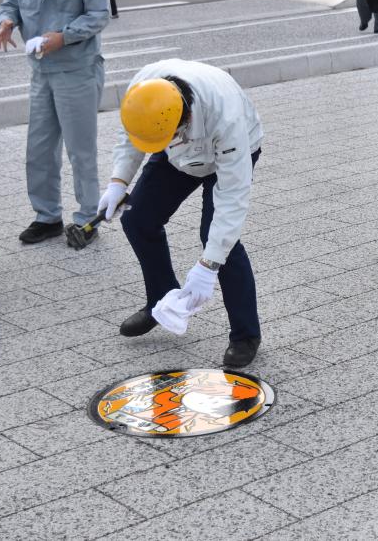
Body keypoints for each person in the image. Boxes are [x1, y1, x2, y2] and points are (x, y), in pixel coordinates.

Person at [101, 59, 265, 368]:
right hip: (176, 155)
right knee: (138, 220)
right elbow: (132, 136)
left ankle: (245, 334)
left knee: (216, 237)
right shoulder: (143, 91)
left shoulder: (226, 116)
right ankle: (160, 302)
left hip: (228, 153)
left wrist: (207, 265)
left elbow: (232, 198)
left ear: (186, 117)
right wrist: (117, 182)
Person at [0, 0, 110, 246]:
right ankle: (47, 217)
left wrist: (64, 36)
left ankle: (88, 218)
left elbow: (100, 14)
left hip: (77, 68)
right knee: (39, 149)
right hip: (41, 69)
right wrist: (6, 20)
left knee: (80, 149)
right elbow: (10, 0)